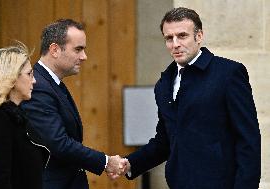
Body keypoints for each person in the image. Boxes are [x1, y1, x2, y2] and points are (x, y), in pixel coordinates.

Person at [120, 7, 261, 189]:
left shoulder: (228, 74)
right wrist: (129, 164)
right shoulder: (164, 83)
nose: (175, 44)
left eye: (182, 35)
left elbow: (248, 141)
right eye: (169, 38)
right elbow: (165, 141)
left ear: (199, 36)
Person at [21, 19, 126, 189]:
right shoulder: (38, 86)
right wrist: (106, 162)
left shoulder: (52, 83)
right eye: (78, 49)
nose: (84, 57)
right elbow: (59, 143)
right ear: (54, 49)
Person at [0, 42, 44, 189]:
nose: (34, 81)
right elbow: (0, 177)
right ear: (11, 77)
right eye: (29, 74)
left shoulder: (18, 117)